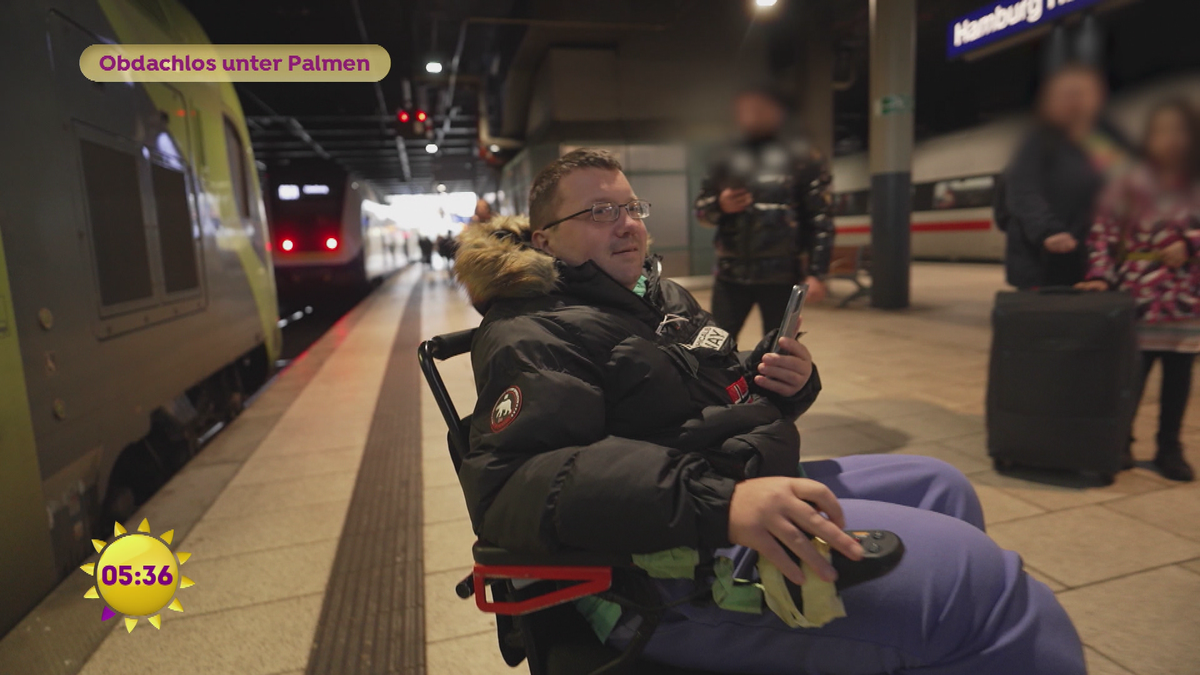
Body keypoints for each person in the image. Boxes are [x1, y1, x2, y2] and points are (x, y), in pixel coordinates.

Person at [454, 148, 1085, 674]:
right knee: (986, 590)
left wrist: (783, 383)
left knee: (941, 485)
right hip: (661, 568)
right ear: (545, 239)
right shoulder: (532, 330)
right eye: (599, 212)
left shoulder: (657, 294)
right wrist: (720, 504)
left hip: (729, 480)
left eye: (630, 208)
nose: (626, 224)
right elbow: (513, 483)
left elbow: (724, 387)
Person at [1076, 100, 1200, 482]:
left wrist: (1191, 244)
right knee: (1130, 376)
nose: (1171, 140)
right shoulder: (1127, 183)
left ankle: (1169, 447)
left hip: (1186, 299)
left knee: (1179, 378)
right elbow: (1103, 235)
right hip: (1137, 297)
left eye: (1179, 131)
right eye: (1162, 130)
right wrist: (1100, 276)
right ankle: (1121, 442)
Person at [695, 87, 834, 337]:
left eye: (760, 109)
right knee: (715, 345)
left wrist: (817, 273)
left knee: (778, 350)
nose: (751, 116)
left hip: (781, 276)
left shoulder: (803, 156)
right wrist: (720, 205)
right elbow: (701, 213)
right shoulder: (723, 158)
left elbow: (820, 219)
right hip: (730, 275)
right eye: (745, 110)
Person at [1002, 62, 1129, 289]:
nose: (1075, 102)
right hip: (1042, 260)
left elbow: (1126, 182)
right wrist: (1048, 231)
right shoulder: (1038, 142)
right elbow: (1023, 190)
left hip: (1090, 260)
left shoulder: (1101, 138)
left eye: (1083, 94)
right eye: (1067, 95)